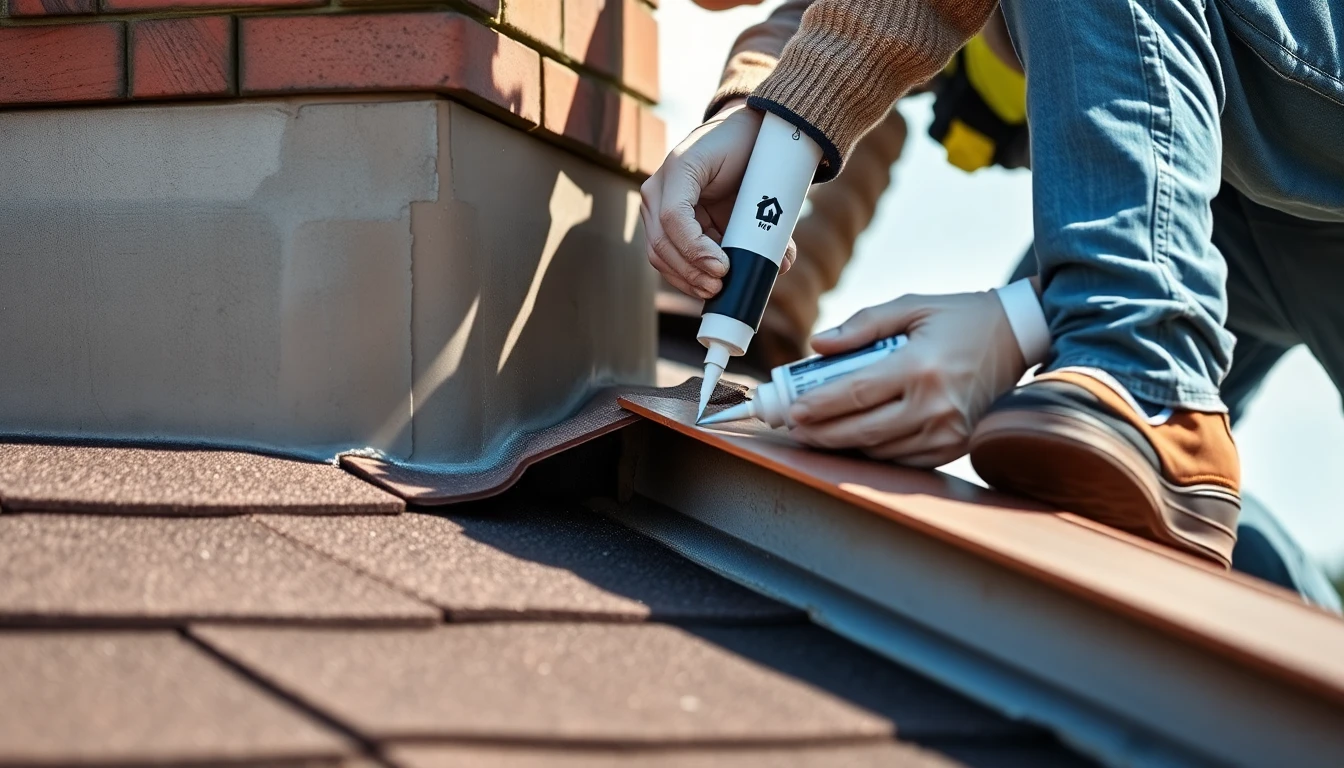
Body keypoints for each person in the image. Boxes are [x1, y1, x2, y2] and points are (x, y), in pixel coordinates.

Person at [644, 0, 1344, 584]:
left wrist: (1029, 320)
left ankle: (1148, 378)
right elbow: (834, 40)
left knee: (1113, 396)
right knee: (1074, 451)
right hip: (1219, 219)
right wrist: (755, 119)